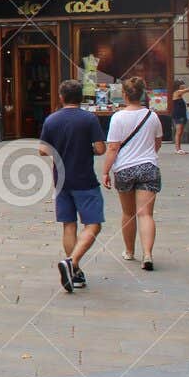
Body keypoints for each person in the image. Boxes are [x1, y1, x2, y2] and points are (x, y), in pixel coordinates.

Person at [38, 80, 106, 293]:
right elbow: (100, 148)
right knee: (94, 223)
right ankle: (73, 263)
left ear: (61, 97)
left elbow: (42, 150)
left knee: (69, 225)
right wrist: (89, 149)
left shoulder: (52, 120)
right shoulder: (89, 119)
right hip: (84, 178)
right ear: (81, 97)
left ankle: (75, 273)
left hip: (61, 179)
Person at [103, 75, 163, 273]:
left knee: (128, 213)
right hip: (148, 166)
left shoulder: (118, 117)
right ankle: (148, 254)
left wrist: (105, 171)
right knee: (146, 214)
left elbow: (112, 148)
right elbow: (157, 143)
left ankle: (129, 251)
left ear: (124, 95)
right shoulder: (152, 116)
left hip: (125, 169)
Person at [169, 78, 189, 154]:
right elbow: (188, 90)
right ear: (178, 86)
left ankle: (179, 148)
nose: (184, 85)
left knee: (180, 132)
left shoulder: (180, 94)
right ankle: (177, 149)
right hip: (178, 115)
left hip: (182, 114)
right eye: (182, 84)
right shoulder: (177, 92)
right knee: (178, 132)